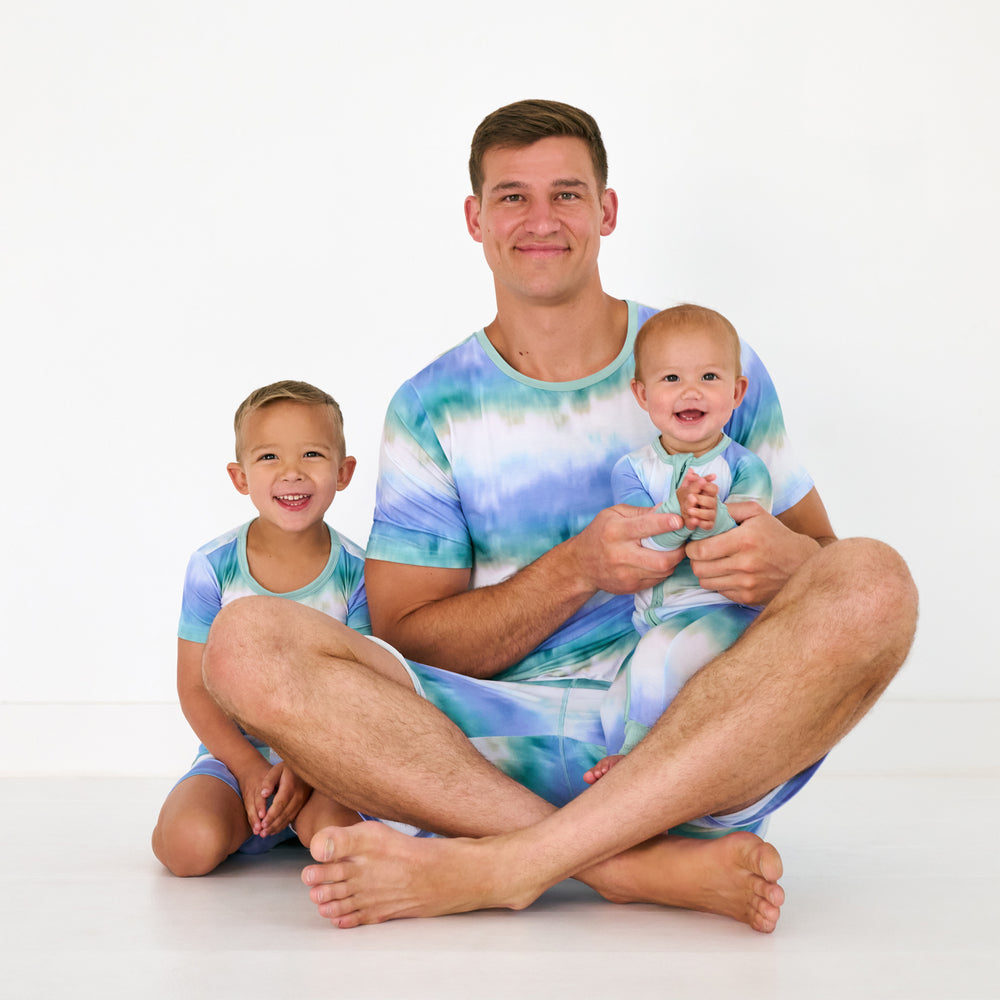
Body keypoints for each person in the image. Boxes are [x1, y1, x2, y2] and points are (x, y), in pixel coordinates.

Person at [200, 100, 917, 931]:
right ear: (475, 219)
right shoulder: (432, 406)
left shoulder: (704, 358)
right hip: (477, 755)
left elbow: (828, 568)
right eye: (512, 197)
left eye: (567, 195)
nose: (541, 221)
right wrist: (578, 570)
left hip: (691, 734)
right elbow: (406, 637)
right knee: (244, 640)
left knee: (877, 579)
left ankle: (514, 864)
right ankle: (628, 868)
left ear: (606, 210)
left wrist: (784, 563)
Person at [152, 381, 372, 876]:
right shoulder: (213, 566)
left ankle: (306, 822)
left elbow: (358, 691)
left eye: (312, 454)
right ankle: (229, 817)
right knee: (188, 848)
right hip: (233, 760)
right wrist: (250, 770)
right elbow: (194, 687)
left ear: (344, 472)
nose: (291, 472)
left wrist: (304, 769)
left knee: (349, 845)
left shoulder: (358, 573)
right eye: (269, 456)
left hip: (324, 762)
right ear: (240, 477)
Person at [590, 302, 774, 780]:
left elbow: (749, 543)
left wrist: (709, 518)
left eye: (709, 377)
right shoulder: (631, 470)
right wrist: (675, 513)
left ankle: (637, 767)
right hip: (653, 620)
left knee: (661, 660)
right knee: (616, 703)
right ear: (641, 392)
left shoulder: (744, 468)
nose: (691, 390)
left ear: (736, 393)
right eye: (671, 379)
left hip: (724, 612)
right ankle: (641, 756)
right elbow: (645, 550)